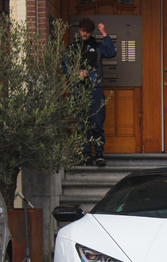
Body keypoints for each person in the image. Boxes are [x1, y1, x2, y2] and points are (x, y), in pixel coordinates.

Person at [64, 18, 116, 167]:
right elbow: (65, 67)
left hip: (95, 88)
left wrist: (104, 33)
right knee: (81, 123)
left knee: (97, 122)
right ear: (79, 30)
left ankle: (99, 154)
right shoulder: (72, 48)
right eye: (82, 30)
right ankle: (86, 154)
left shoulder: (98, 47)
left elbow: (112, 52)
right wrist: (76, 73)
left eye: (87, 31)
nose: (84, 33)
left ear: (91, 31)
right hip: (78, 89)